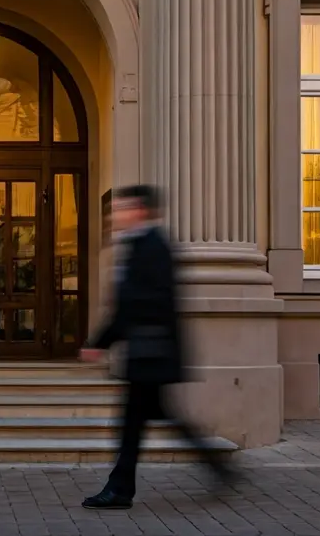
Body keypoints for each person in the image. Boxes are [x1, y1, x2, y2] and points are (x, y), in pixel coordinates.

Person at [80, 184, 238, 510]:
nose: (114, 215)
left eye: (121, 208)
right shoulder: (140, 245)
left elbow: (138, 303)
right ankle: (220, 468)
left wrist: (101, 342)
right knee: (155, 421)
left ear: (139, 209)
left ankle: (120, 489)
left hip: (151, 352)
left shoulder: (152, 246)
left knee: (132, 425)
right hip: (150, 352)